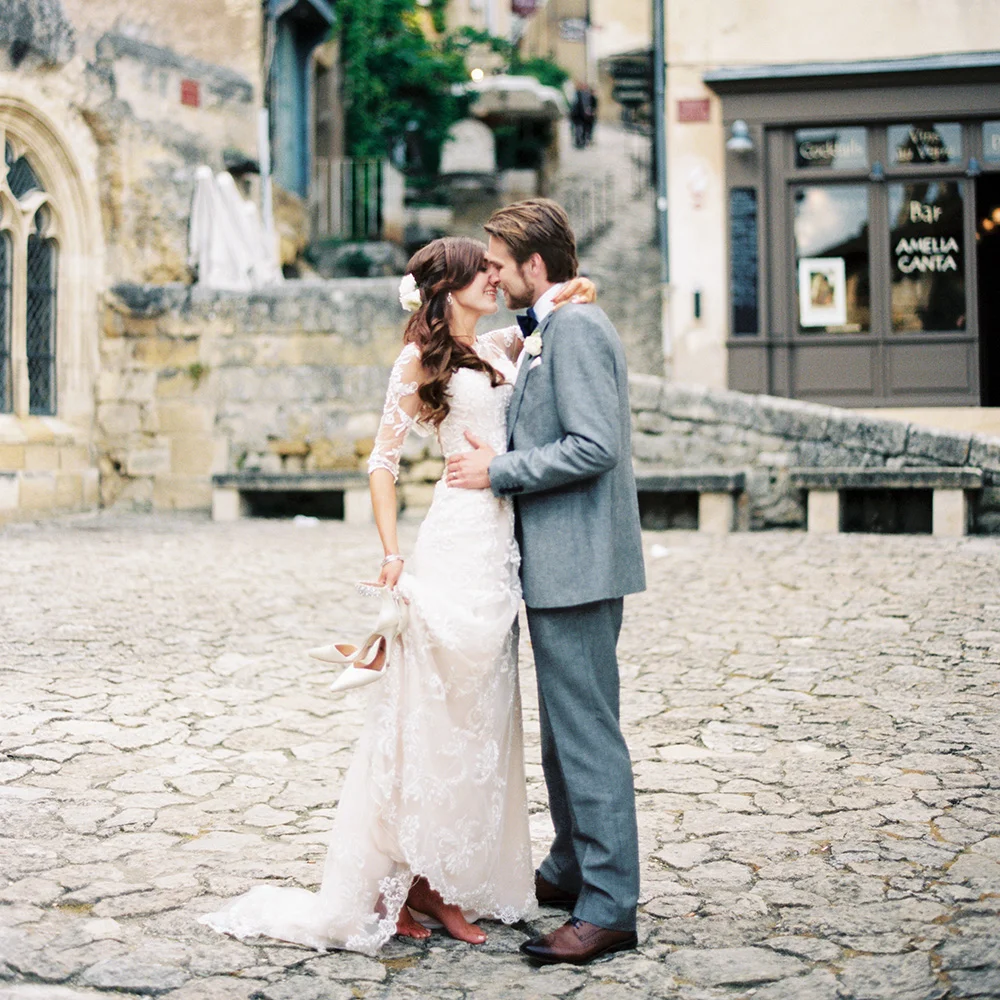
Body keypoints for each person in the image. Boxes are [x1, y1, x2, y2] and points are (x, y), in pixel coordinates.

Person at [198, 237, 596, 954]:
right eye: (482, 269)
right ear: (449, 287)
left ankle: (432, 881)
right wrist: (390, 552)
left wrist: (573, 289)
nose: (494, 276)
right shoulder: (419, 361)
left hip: (501, 551)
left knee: (482, 718)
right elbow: (382, 463)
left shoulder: (505, 344)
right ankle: (425, 889)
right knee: (434, 718)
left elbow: (551, 307)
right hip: (453, 544)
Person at [446, 198, 646, 966]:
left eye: (499, 264)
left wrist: (497, 471)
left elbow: (595, 445)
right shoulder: (552, 326)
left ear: (536, 265)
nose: (490, 275)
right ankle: (569, 868)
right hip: (561, 563)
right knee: (563, 735)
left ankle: (608, 906)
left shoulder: (582, 329)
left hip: (582, 565)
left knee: (587, 735)